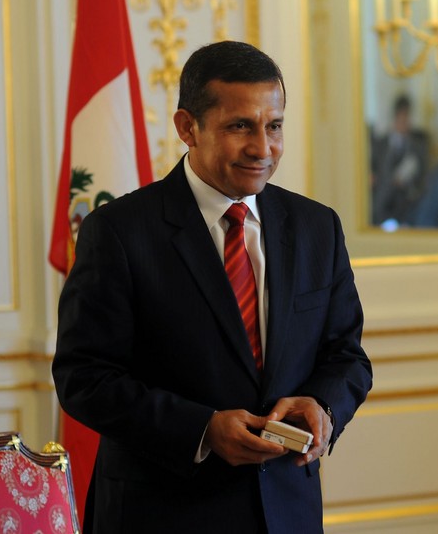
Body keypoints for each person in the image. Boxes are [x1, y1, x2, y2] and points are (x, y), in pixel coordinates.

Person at [53, 40, 373, 534]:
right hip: (161, 515)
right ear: (187, 128)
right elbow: (84, 378)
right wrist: (201, 429)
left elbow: (347, 355)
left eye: (275, 126)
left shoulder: (316, 227)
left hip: (287, 512)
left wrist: (323, 405)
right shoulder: (118, 231)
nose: (262, 148)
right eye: (239, 126)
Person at [370, 94, 431, 226]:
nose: (403, 122)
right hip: (382, 198)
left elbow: (424, 177)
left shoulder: (418, 146)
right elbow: (372, 168)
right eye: (400, 118)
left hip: (407, 200)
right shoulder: (381, 143)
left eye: (406, 118)